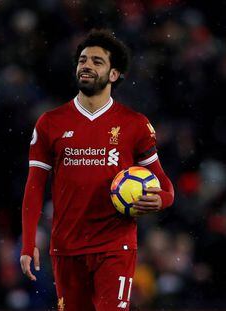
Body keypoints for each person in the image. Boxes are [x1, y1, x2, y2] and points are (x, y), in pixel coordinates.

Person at [19, 29, 174, 311]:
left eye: (97, 61)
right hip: (66, 248)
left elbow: (166, 186)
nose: (86, 65)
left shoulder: (135, 124)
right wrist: (28, 243)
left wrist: (160, 199)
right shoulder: (49, 123)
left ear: (114, 75)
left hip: (115, 246)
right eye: (82, 60)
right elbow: (34, 186)